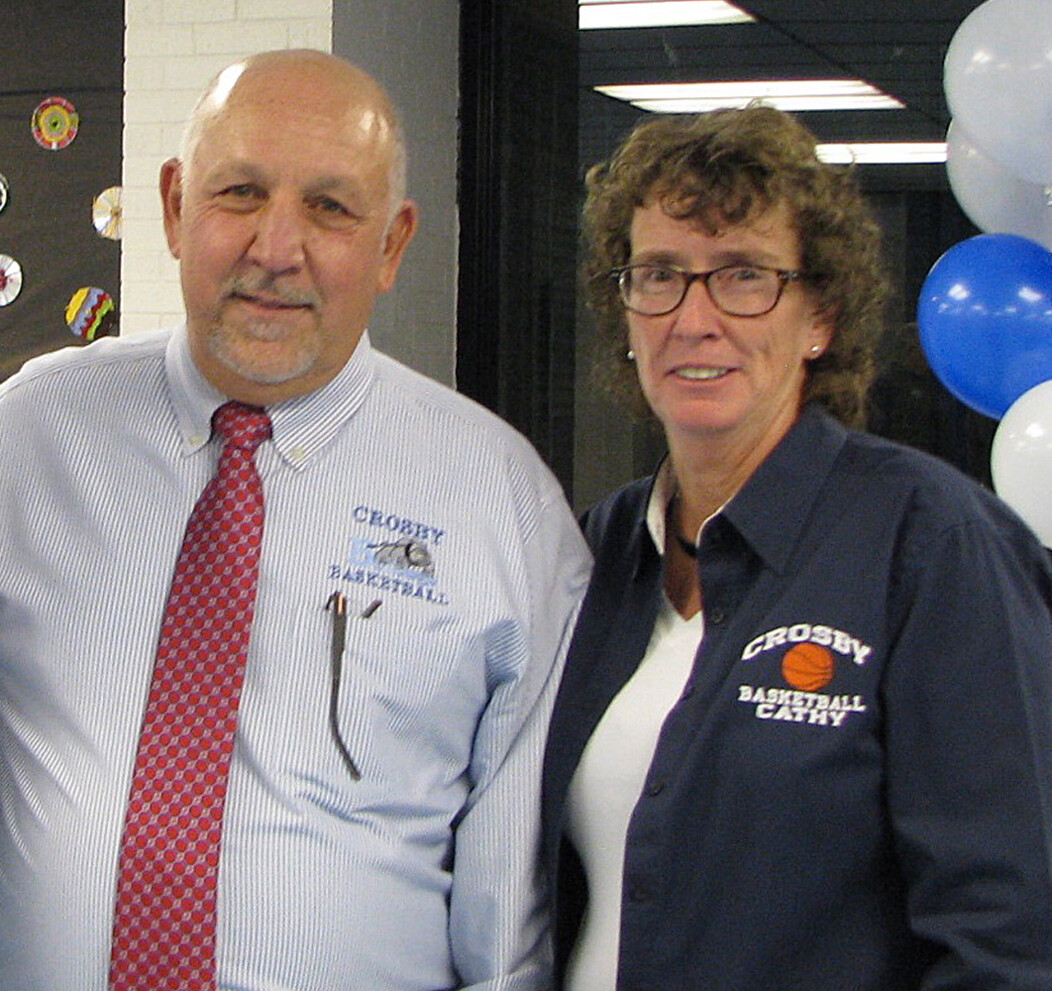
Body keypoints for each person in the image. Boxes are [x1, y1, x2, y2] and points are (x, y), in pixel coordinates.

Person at [0, 49, 590, 991]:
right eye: (239, 192)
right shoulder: (28, 439)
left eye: (330, 207)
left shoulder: (501, 504)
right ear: (171, 206)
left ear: (394, 244)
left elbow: (509, 931)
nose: (277, 249)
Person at [541, 105, 1052, 990]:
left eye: (743, 276)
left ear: (820, 315)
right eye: (659, 274)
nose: (693, 317)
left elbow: (1007, 936)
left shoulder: (934, 545)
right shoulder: (597, 551)